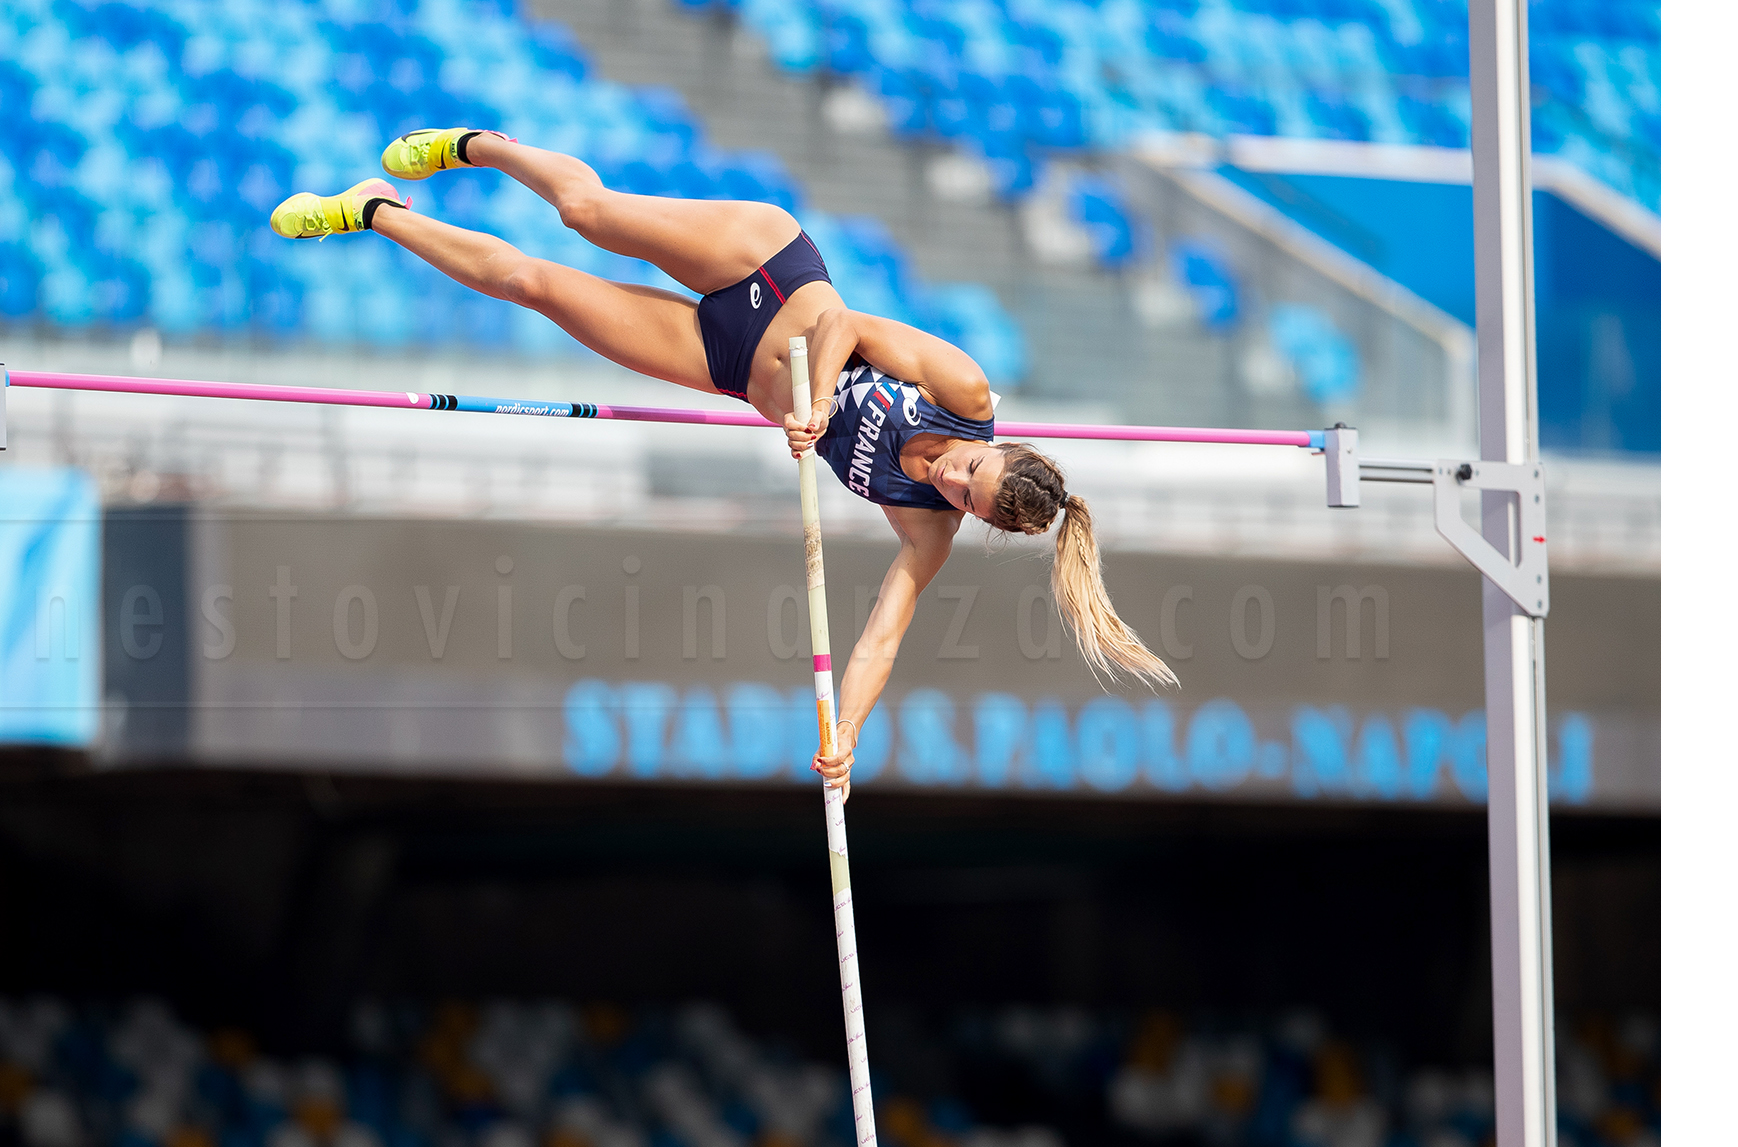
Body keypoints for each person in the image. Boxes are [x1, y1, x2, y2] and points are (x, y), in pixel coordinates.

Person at [272, 129, 1177, 788]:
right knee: (588, 213)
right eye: (965, 473)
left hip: (725, 365)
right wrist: (820, 400)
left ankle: (375, 212)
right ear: (997, 449)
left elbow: (883, 638)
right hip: (769, 269)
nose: (948, 482)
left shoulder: (924, 525)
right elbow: (844, 323)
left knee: (535, 287)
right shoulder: (967, 393)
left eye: (962, 500)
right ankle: (474, 147)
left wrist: (847, 738)